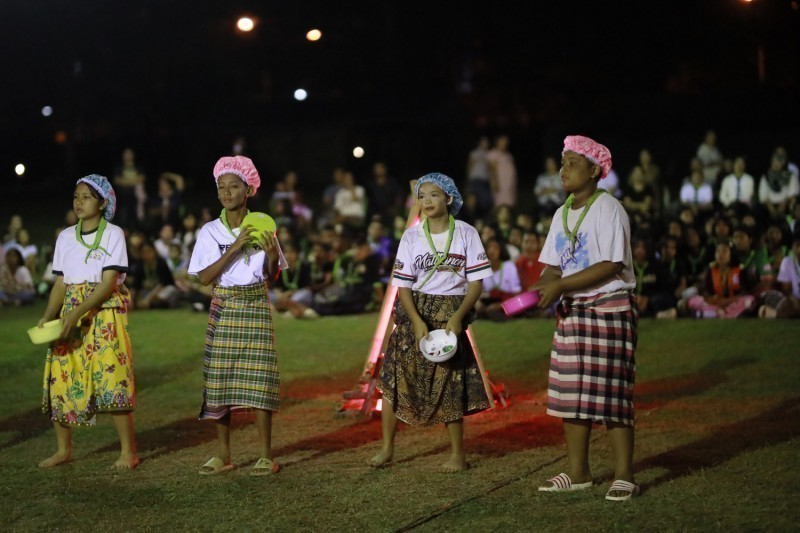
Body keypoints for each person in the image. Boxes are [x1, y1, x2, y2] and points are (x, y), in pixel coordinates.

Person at [535, 135, 639, 501]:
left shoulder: (608, 208)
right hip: (573, 312)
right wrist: (545, 284)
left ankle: (624, 475)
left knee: (612, 396)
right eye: (562, 163)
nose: (563, 170)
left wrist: (561, 284)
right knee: (571, 395)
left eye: (572, 164)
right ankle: (578, 472)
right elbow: (552, 264)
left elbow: (612, 263)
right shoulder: (561, 213)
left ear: (595, 171)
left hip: (609, 309)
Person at [370, 172, 492, 472]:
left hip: (451, 313)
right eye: (422, 196)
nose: (426, 201)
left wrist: (458, 316)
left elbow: (476, 283)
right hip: (416, 312)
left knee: (450, 382)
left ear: (449, 198)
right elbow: (403, 284)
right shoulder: (411, 236)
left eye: (434, 195)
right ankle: (386, 449)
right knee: (394, 379)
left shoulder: (466, 233)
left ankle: (457, 455)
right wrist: (415, 320)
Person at [188, 155, 288, 476]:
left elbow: (272, 276)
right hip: (225, 305)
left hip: (255, 303)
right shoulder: (210, 231)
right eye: (222, 187)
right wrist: (233, 248)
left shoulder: (263, 226)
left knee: (260, 380)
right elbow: (204, 278)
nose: (227, 192)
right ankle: (223, 454)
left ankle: (265, 455)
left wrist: (272, 257)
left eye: (234, 186)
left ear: (249, 190)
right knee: (219, 382)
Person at [37, 174, 139, 469]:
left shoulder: (113, 234)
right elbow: (60, 283)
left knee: (112, 376)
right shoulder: (65, 237)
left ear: (103, 203)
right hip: (71, 312)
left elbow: (107, 284)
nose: (78, 202)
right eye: (76, 196)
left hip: (104, 312)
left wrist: (76, 313)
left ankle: (128, 452)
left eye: (86, 197)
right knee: (62, 375)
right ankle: (63, 450)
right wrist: (49, 315)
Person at [488, 135, 517, 209]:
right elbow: (492, 169)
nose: (504, 143)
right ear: (497, 142)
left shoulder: (508, 155)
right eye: (502, 141)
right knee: (500, 204)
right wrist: (495, 182)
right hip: (500, 184)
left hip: (509, 186)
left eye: (505, 141)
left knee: (508, 205)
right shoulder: (494, 153)